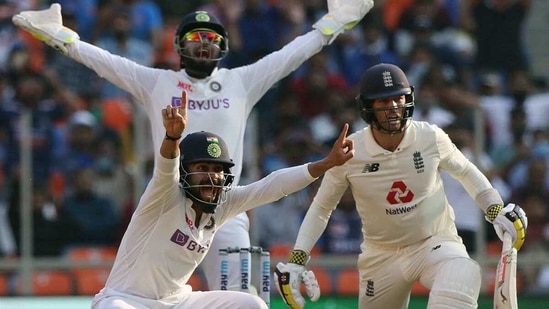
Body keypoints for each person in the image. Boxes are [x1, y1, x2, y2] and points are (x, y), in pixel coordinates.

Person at [11, 0, 373, 292]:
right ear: (180, 45)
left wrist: (333, 23)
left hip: (225, 206)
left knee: (242, 297)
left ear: (223, 46)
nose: (204, 43)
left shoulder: (241, 81)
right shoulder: (157, 82)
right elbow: (104, 63)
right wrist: (58, 35)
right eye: (197, 36)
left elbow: (290, 55)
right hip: (169, 205)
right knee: (146, 295)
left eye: (212, 38)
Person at [273, 63, 528, 309]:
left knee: (462, 273)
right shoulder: (351, 151)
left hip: (434, 241)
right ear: (367, 107)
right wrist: (298, 259)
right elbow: (321, 207)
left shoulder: (430, 136)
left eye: (399, 99)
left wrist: (495, 210)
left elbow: (467, 172)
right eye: (384, 101)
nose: (394, 107)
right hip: (381, 255)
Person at [91, 90, 354, 308]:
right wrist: (172, 137)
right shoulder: (164, 195)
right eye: (202, 168)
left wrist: (326, 163)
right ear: (184, 172)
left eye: (217, 170)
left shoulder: (224, 203)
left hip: (177, 301)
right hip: (125, 299)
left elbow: (272, 186)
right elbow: (166, 165)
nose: (212, 177)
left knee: (253, 305)